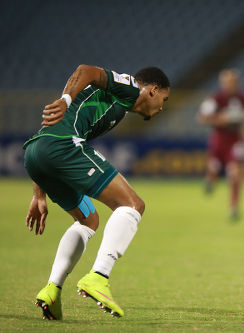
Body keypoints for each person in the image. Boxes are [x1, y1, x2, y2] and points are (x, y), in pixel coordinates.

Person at [24, 64, 170, 320]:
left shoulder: (117, 108)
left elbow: (50, 125)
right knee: (133, 205)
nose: (162, 107)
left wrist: (39, 194)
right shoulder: (130, 87)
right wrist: (66, 98)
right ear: (153, 90)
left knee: (88, 219)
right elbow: (87, 70)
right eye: (164, 99)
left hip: (37, 152)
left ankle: (52, 289)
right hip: (62, 146)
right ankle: (99, 276)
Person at [197, 69, 244, 220]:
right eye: (228, 82)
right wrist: (218, 119)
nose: (231, 85)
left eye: (234, 82)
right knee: (214, 167)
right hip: (219, 138)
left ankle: (233, 207)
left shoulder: (242, 97)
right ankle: (210, 180)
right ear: (222, 83)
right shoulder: (216, 98)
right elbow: (202, 117)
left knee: (235, 173)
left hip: (235, 139)